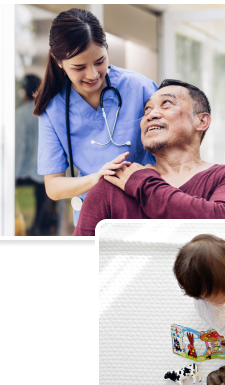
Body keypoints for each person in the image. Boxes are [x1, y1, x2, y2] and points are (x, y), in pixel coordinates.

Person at [73, 80, 225, 235]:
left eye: (166, 104)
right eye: (147, 109)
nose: (150, 115)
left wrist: (143, 185)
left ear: (201, 121)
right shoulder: (115, 184)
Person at [34, 8, 158, 229]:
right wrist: (96, 178)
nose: (92, 74)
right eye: (79, 67)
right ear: (58, 62)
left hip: (147, 209)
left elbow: (174, 152)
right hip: (94, 219)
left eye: (99, 61)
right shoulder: (52, 110)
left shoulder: (139, 88)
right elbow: (53, 187)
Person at [16, 74, 58, 236]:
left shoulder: (21, 114)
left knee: (35, 220)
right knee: (43, 212)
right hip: (48, 170)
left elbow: (20, 147)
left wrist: (14, 173)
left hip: (28, 172)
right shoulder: (48, 109)